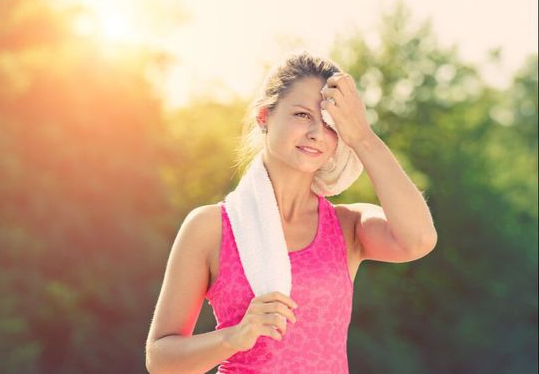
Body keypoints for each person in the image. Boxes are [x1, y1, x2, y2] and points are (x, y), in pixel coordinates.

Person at [145, 51, 438, 373]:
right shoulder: (211, 227)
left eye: (329, 124)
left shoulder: (347, 226)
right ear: (264, 117)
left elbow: (419, 240)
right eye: (301, 115)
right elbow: (161, 360)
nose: (315, 133)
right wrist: (234, 337)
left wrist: (363, 137)